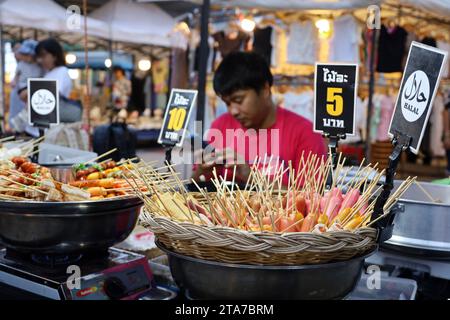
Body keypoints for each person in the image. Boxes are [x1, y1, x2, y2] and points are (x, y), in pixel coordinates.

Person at [192, 51, 327, 185]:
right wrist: (202, 172)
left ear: (265, 90)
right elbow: (194, 183)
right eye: (227, 103)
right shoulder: (220, 125)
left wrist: (253, 178)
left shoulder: (305, 133)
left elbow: (313, 199)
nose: (233, 111)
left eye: (238, 100)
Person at [9, 40, 43, 132]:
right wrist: (14, 81)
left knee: (30, 107)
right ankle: (19, 124)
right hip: (22, 88)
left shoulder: (39, 66)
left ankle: (23, 122)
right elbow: (16, 75)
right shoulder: (21, 64)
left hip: (35, 88)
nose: (27, 57)